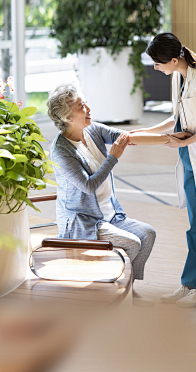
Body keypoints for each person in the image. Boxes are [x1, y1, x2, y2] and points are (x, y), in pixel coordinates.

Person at [130, 32, 196, 308]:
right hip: (192, 161)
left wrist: (188, 140)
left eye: (158, 63)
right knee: (195, 229)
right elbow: (176, 119)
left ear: (174, 59)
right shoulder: (180, 79)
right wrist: (141, 132)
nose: (156, 67)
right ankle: (190, 283)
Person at [46, 83, 157, 305]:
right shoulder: (60, 151)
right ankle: (110, 292)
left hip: (109, 213)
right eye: (81, 106)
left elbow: (125, 136)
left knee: (147, 234)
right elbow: (88, 186)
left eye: (85, 102)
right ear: (68, 117)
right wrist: (113, 157)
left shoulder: (92, 130)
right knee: (133, 243)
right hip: (83, 221)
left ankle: (129, 289)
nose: (88, 108)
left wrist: (168, 137)